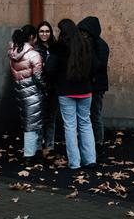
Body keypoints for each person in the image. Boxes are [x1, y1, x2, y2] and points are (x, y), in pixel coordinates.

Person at [46, 18, 96, 170]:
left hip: (65, 91)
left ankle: (75, 163)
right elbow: (95, 66)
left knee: (70, 126)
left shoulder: (59, 47)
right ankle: (90, 159)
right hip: (85, 90)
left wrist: (56, 80)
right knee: (86, 124)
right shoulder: (86, 44)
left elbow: (49, 68)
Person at [7, 25, 45, 163]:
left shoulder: (13, 52)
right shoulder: (34, 54)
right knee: (32, 124)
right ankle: (29, 155)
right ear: (31, 37)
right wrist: (46, 88)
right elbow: (38, 76)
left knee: (30, 121)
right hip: (33, 91)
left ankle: (36, 150)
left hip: (20, 90)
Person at [78, 15, 109, 148]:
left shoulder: (100, 45)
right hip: (89, 84)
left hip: (97, 85)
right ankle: (91, 142)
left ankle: (98, 142)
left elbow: (99, 66)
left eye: (84, 32)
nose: (82, 35)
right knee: (88, 116)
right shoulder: (88, 43)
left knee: (95, 114)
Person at [34, 20, 58, 156]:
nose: (44, 34)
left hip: (54, 88)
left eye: (47, 31)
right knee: (39, 119)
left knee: (51, 118)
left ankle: (50, 146)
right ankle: (38, 147)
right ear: (38, 33)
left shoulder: (55, 48)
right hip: (40, 89)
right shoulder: (35, 49)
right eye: (42, 31)